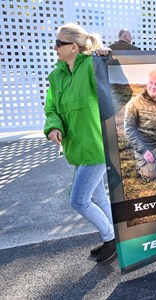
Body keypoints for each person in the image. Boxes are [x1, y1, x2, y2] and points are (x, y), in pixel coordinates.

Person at [44, 23, 116, 262]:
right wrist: (54, 126)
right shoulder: (56, 75)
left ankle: (110, 239)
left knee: (79, 201)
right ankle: (117, 239)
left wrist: (107, 57)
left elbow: (119, 82)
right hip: (77, 148)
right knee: (100, 198)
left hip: (96, 147)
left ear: (73, 47)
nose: (54, 47)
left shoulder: (92, 66)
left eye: (59, 43)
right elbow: (52, 107)